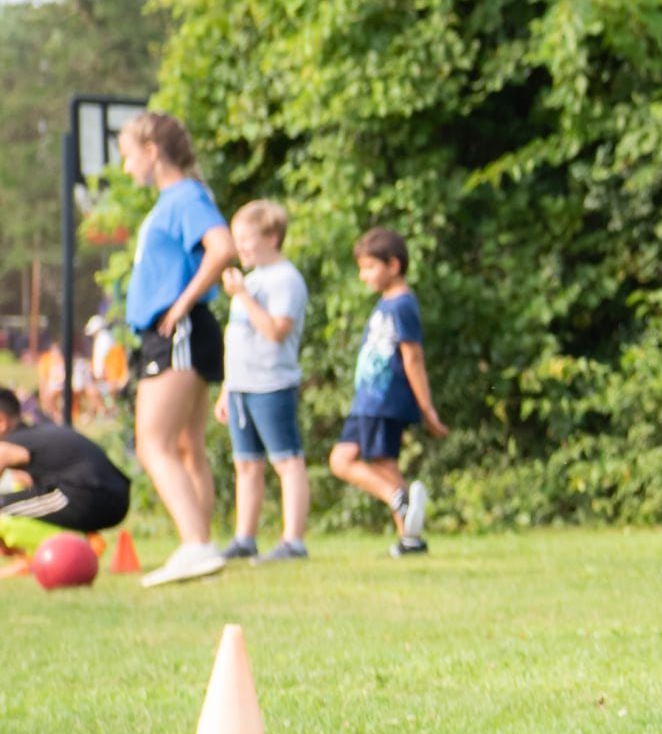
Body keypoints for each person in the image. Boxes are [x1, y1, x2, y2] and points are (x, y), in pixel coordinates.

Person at [117, 111, 235, 586]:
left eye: (127, 157)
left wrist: (182, 303)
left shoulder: (183, 196)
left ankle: (195, 544)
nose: (126, 169)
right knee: (187, 447)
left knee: (153, 444)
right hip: (183, 331)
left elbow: (222, 246)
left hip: (176, 332)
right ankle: (200, 548)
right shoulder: (176, 200)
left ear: (151, 151)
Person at [327, 226, 445, 556]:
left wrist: (426, 406)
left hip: (382, 398)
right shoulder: (387, 303)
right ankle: (410, 536)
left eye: (369, 267)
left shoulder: (402, 304)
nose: (363, 276)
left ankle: (399, 502)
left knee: (346, 460)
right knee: (380, 463)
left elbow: (413, 356)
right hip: (369, 399)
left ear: (393, 265)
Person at [215, 200, 311, 563]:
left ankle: (293, 541)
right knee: (246, 464)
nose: (239, 248)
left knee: (287, 461)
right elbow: (238, 339)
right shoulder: (252, 279)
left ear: (272, 236)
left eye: (246, 239)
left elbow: (274, 331)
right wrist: (227, 388)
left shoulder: (285, 279)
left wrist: (241, 295)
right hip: (242, 386)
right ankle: (245, 538)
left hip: (272, 385)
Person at [0, 386, 131, 555]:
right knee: (18, 500)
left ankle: (72, 547)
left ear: (2, 421)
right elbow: (30, 488)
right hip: (114, 497)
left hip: (89, 497)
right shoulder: (37, 434)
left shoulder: (11, 443)